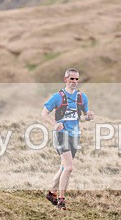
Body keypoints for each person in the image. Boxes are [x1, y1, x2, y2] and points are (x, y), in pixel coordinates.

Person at [40, 67, 94, 210]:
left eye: (76, 79)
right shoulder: (58, 96)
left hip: (75, 136)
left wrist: (89, 116)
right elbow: (44, 113)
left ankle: (52, 193)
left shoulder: (82, 97)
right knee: (69, 167)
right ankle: (61, 200)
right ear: (65, 80)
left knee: (64, 167)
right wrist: (54, 124)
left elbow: (84, 115)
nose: (74, 82)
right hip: (61, 135)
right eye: (71, 79)